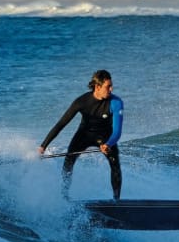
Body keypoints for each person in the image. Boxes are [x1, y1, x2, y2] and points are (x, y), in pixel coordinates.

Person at [38, 69, 124, 200]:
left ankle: (116, 201)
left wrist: (108, 144)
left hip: (106, 137)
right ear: (97, 86)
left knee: (115, 165)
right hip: (83, 135)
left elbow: (117, 132)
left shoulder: (116, 102)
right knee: (68, 162)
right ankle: (64, 196)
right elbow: (61, 124)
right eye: (108, 86)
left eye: (111, 86)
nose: (111, 89)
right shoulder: (82, 101)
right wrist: (43, 146)